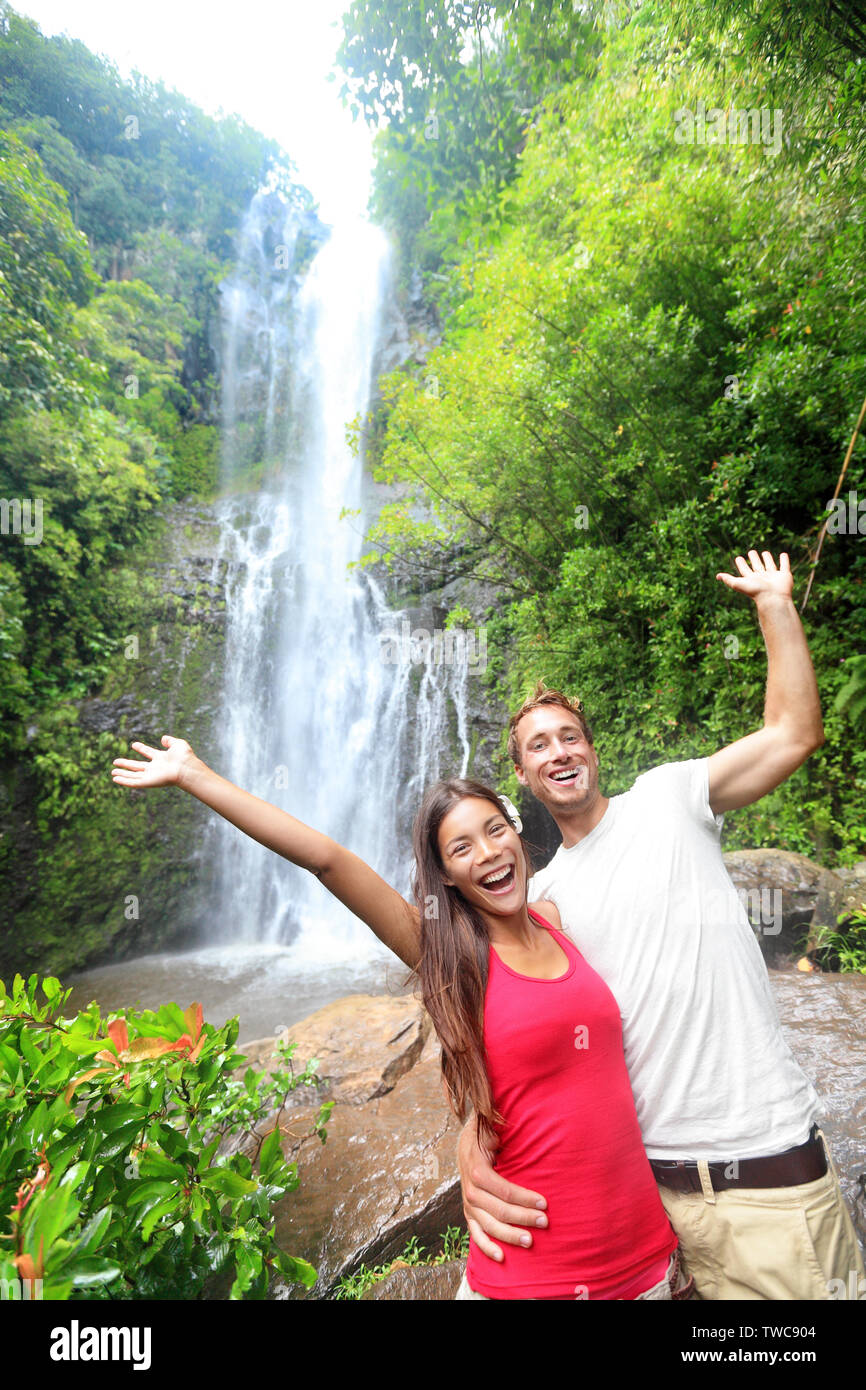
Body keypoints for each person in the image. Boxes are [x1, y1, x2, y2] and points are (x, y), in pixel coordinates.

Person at [111, 744, 691, 1299]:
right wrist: (194, 775)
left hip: (643, 1261)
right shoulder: (450, 956)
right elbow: (328, 860)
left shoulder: (560, 919)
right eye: (460, 848)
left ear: (517, 833)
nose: (487, 852)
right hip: (534, 1270)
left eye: (494, 830)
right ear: (443, 876)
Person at [458, 549, 866, 1301]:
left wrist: (776, 604)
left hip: (768, 1175)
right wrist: (469, 1140)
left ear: (592, 749)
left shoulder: (670, 798)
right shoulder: (542, 901)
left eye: (569, 735)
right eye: (539, 744)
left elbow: (792, 734)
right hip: (657, 1206)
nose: (560, 750)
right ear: (523, 776)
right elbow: (504, 1027)